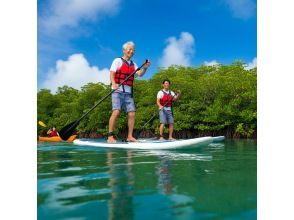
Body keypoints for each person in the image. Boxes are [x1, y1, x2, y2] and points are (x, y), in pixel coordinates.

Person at [107, 41, 151, 143]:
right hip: (117, 91)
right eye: (129, 49)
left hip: (128, 92)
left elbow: (140, 74)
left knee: (132, 113)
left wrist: (145, 67)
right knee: (116, 111)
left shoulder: (133, 64)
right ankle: (110, 136)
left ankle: (130, 136)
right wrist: (113, 84)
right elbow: (112, 73)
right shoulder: (117, 61)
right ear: (124, 50)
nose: (131, 51)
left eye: (133, 50)